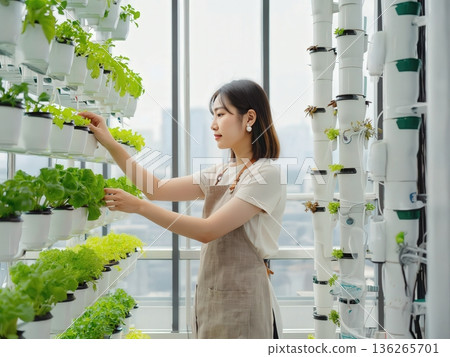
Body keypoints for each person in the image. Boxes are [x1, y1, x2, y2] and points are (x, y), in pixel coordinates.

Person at [80, 79, 287, 339]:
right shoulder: (221, 171)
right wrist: (111, 143)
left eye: (221, 114)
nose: (213, 124)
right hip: (213, 297)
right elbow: (156, 188)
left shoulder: (266, 173)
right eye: (213, 115)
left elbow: (208, 231)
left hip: (246, 301)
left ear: (250, 117)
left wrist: (141, 208)